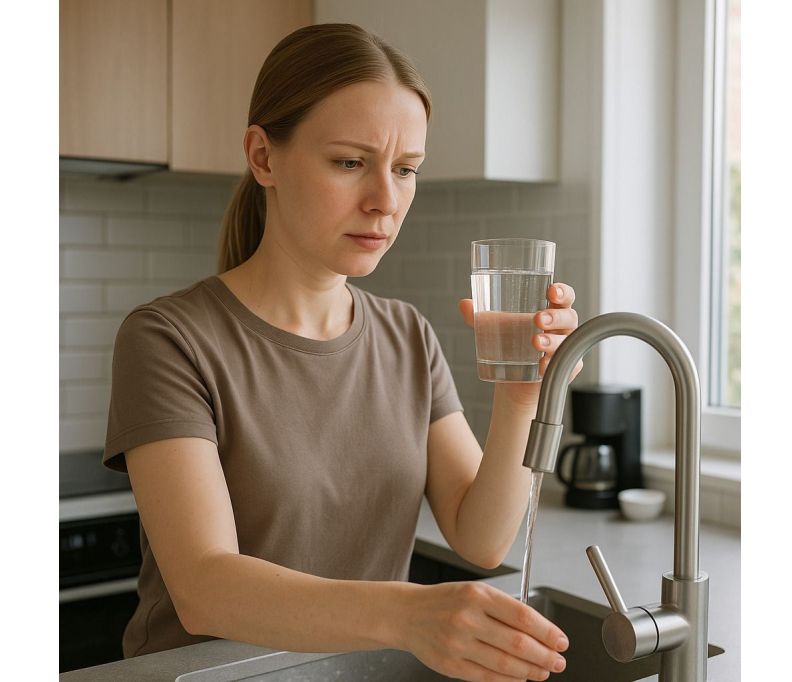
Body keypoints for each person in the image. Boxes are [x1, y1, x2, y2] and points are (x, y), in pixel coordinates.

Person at [103, 22, 582, 682]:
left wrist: (523, 395)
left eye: (406, 169)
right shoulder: (169, 339)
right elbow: (204, 586)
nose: (386, 201)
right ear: (263, 157)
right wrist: (409, 615)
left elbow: (482, 535)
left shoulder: (406, 336)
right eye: (350, 162)